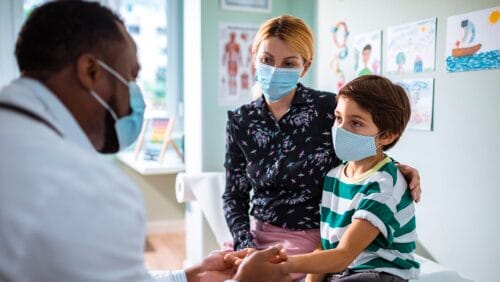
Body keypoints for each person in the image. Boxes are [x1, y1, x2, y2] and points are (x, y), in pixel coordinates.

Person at [0, 1, 290, 282]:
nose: (136, 95)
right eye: (131, 76)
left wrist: (187, 276)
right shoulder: (90, 192)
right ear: (91, 72)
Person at [222, 15, 421, 280]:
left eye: (289, 63)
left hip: (316, 236)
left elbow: (364, 146)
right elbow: (233, 196)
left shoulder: (329, 109)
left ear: (305, 67)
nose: (275, 70)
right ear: (254, 56)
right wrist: (245, 245)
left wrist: (399, 169)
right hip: (258, 234)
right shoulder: (241, 121)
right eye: (267, 60)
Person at [286, 75, 420, 281]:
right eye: (339, 118)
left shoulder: (384, 185)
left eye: (356, 123)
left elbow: (344, 254)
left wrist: (283, 265)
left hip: (380, 274)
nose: (341, 129)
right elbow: (327, 246)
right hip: (344, 272)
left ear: (387, 136)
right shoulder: (333, 177)